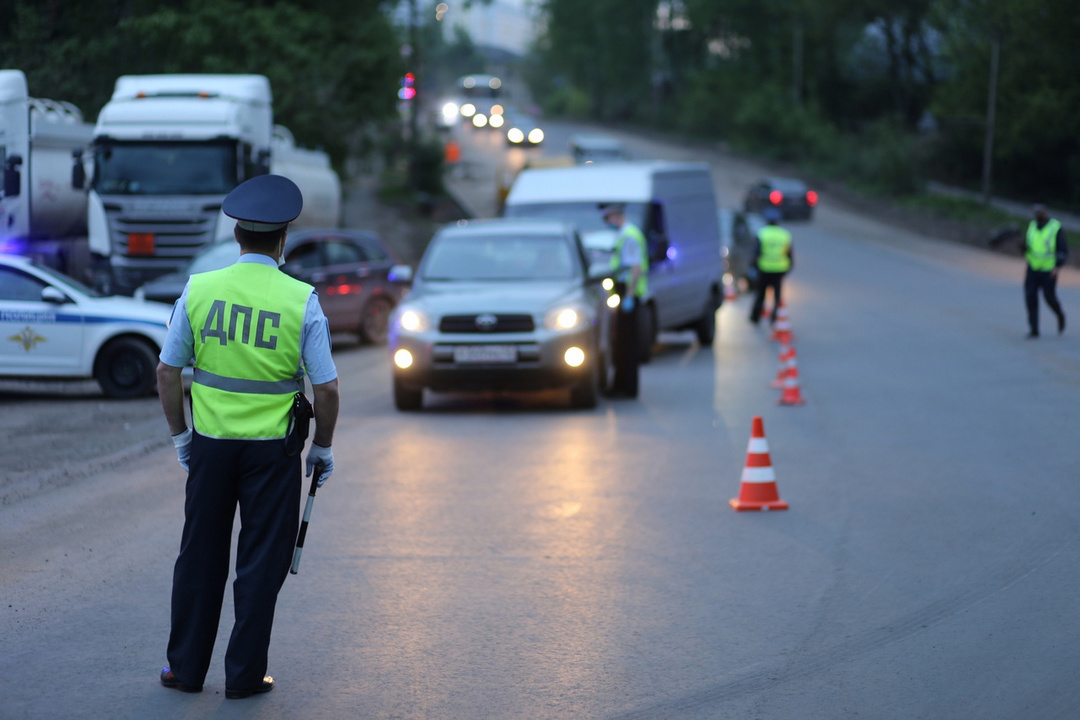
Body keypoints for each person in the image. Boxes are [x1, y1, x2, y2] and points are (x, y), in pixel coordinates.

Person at [156, 174, 340, 699]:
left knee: (200, 556)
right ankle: (244, 676)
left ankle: (184, 671)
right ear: (283, 239)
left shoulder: (199, 289)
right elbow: (325, 388)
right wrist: (322, 449)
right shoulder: (301, 300)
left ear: (237, 236)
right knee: (261, 563)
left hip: (210, 448)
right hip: (273, 454)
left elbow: (168, 373)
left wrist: (181, 440)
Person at [602, 203, 648, 396]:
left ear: (616, 216)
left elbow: (635, 268)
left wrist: (628, 296)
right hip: (626, 292)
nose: (607, 223)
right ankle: (621, 386)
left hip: (628, 293)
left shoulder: (629, 236)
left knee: (627, 344)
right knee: (623, 342)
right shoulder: (627, 234)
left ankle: (626, 389)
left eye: (608, 219)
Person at [1020, 203, 1067, 338]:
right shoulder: (1032, 226)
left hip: (1049, 270)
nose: (1038, 215)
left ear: (1046, 212)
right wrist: (1022, 247)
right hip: (1033, 268)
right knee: (1030, 297)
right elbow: (1028, 246)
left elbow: (1063, 250)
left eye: (1040, 212)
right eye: (1036, 212)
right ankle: (1034, 329)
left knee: (1049, 297)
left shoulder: (1055, 227)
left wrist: (1057, 266)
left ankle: (1060, 314)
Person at [749, 208, 793, 325]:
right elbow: (789, 254)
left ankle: (755, 317)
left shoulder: (762, 233)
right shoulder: (785, 234)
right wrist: (788, 268)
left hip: (764, 268)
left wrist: (753, 267)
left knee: (760, 294)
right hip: (779, 269)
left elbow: (756, 253)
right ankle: (774, 317)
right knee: (777, 295)